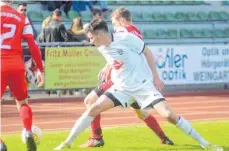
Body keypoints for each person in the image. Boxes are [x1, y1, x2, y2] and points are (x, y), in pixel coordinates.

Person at [54, 19, 223, 151]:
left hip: (143, 86)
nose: (90, 42)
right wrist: (107, 67)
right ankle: (67, 143)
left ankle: (205, 143)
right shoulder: (101, 46)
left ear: (99, 35)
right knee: (92, 108)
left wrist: (156, 78)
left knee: (169, 115)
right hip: (122, 87)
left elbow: (147, 52)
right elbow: (114, 58)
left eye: (91, 38)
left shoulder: (126, 38)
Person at [79, 8, 173, 148]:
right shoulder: (135, 32)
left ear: (121, 20)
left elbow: (122, 52)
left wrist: (109, 66)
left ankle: (96, 138)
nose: (114, 26)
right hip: (131, 79)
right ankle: (164, 137)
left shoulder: (123, 33)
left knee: (90, 101)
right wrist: (108, 65)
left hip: (123, 80)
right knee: (141, 113)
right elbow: (125, 53)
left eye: (114, 22)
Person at [1, 1, 45, 151]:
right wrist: (40, 69)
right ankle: (28, 132)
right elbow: (32, 44)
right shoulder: (21, 17)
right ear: (12, 1)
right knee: (22, 103)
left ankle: (0, 143)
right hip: (16, 65)